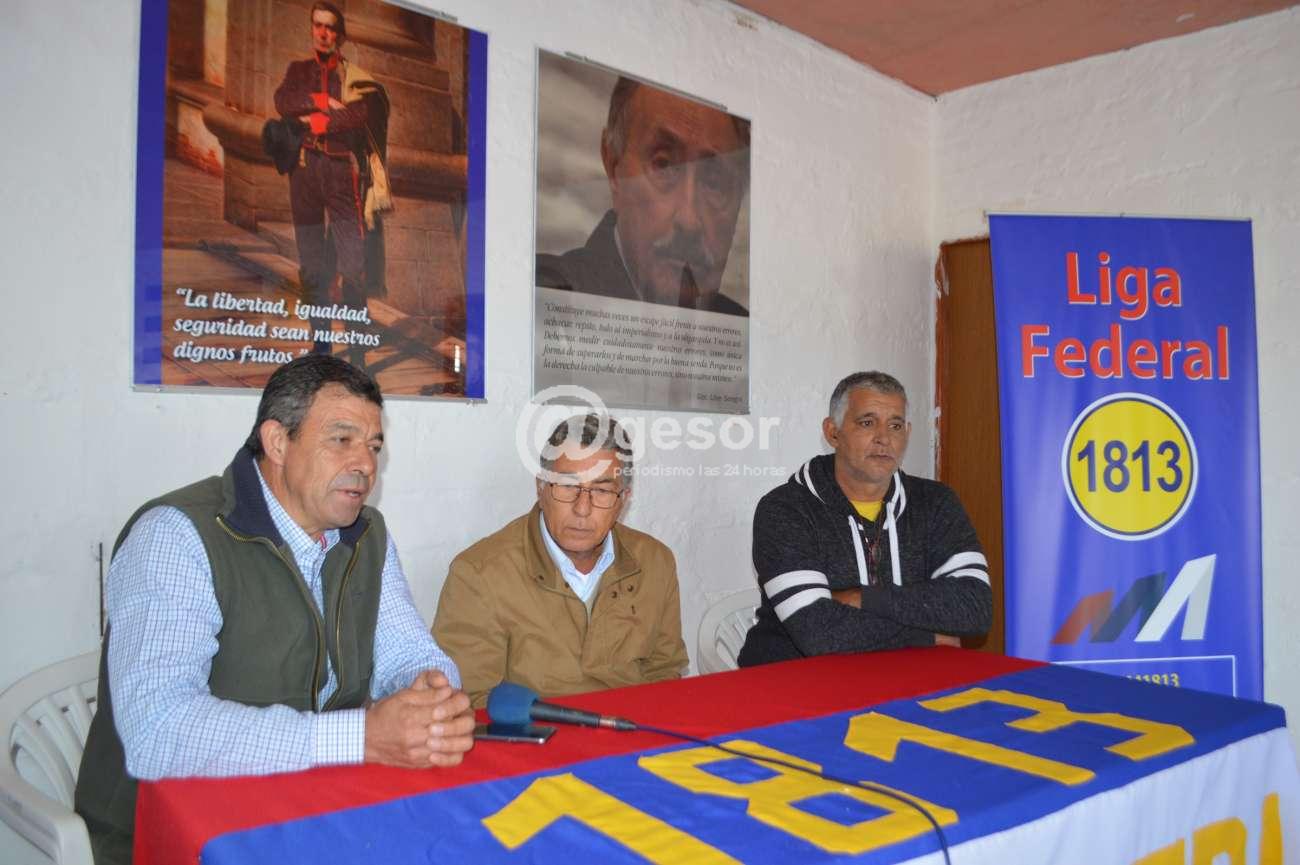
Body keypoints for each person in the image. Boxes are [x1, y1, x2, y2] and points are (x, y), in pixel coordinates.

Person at [74, 356, 473, 865]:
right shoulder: (176, 535)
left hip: (312, 810)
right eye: (342, 439)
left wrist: (432, 696)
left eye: (374, 446)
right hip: (170, 832)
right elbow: (158, 730)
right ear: (278, 442)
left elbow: (408, 654)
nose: (366, 465)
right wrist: (363, 736)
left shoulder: (366, 534)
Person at [433, 413, 689, 707]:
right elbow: (468, 702)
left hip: (633, 727)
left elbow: (664, 672)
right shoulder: (479, 575)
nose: (582, 508)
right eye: (568, 486)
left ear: (623, 498)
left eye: (602, 490)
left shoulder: (655, 563)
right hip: (534, 732)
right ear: (541, 487)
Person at [738, 371, 992, 666]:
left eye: (895, 425)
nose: (884, 438)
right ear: (833, 432)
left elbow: (975, 608)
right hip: (791, 678)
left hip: (904, 674)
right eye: (867, 423)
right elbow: (818, 632)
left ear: (907, 433)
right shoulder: (786, 509)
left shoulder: (936, 502)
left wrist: (864, 598)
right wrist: (928, 636)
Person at [536, 76, 750, 316]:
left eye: (713, 181)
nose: (689, 220)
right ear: (613, 166)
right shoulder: (540, 296)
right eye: (664, 165)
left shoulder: (743, 325)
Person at [272, 1, 391, 360]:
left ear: (340, 36)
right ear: (312, 28)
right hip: (304, 172)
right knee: (311, 265)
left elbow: (358, 116)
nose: (323, 33)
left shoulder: (354, 77)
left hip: (341, 174)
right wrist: (322, 100)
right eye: (318, 25)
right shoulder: (297, 70)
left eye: (330, 28)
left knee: (353, 266)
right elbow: (283, 101)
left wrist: (312, 121)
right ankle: (320, 347)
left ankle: (357, 355)